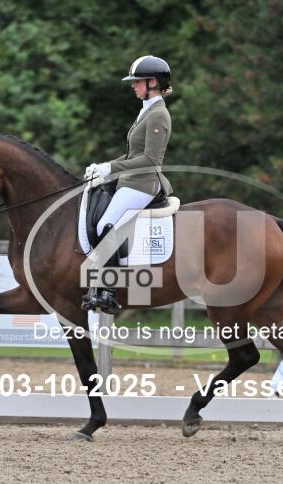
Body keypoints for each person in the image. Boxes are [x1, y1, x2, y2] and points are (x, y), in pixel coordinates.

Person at [81, 55, 174, 314]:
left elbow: (150, 160)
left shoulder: (158, 114)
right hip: (130, 180)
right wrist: (104, 167)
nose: (133, 86)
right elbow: (133, 154)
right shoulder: (147, 110)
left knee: (105, 225)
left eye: (137, 82)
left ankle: (108, 291)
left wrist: (111, 169)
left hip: (144, 183)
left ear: (153, 82)